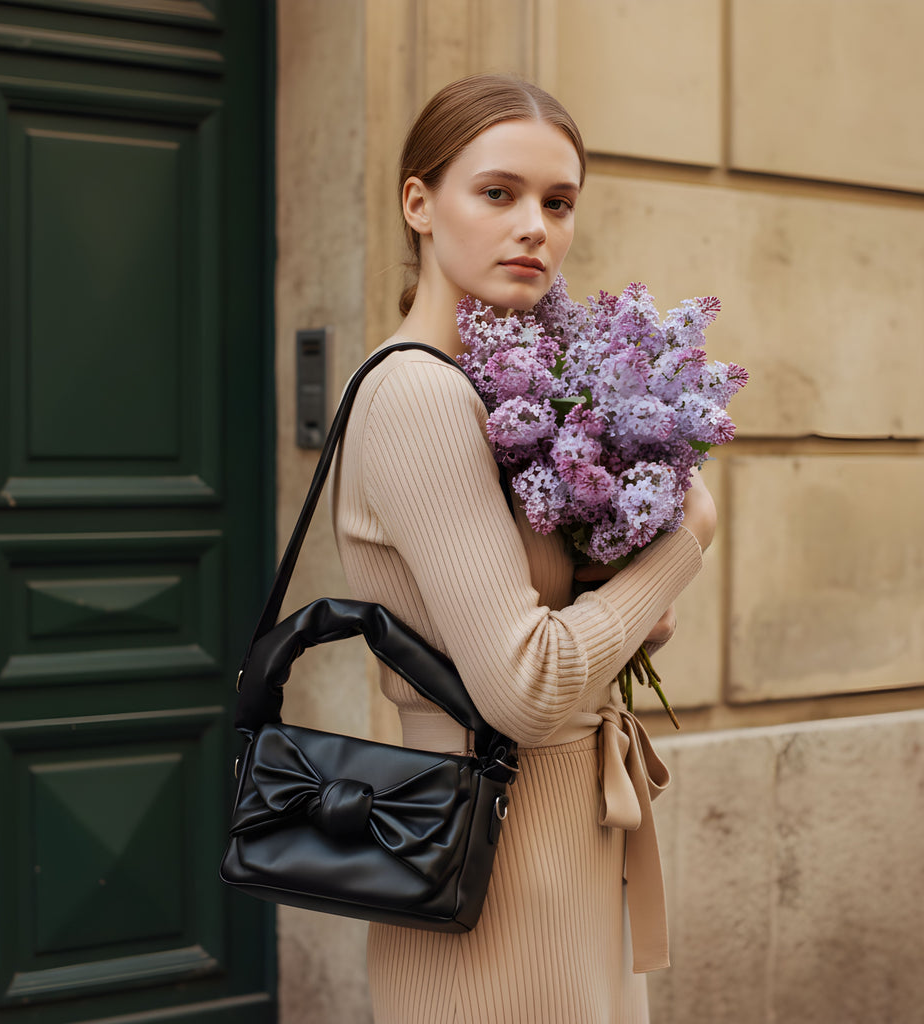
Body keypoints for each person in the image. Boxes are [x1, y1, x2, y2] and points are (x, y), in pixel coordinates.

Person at [330, 73, 716, 1024]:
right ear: (418, 203)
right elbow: (527, 688)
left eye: (559, 201)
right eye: (497, 193)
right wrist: (686, 537)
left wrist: (622, 600)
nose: (535, 226)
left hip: (560, 837)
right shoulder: (420, 397)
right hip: (491, 863)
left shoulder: (502, 397)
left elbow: (550, 635)